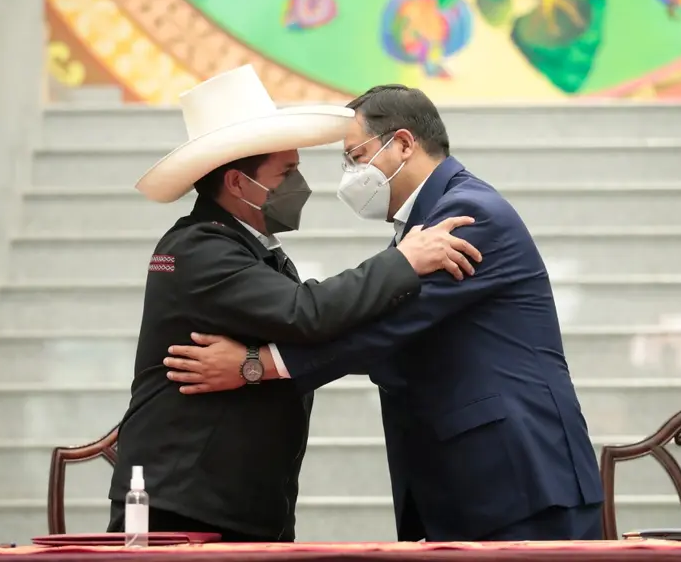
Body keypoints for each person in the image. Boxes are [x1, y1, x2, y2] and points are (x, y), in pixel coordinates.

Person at [162, 84, 605, 542]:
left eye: (356, 155)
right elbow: (381, 336)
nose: (349, 174)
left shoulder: (467, 217)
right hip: (464, 483)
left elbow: (383, 330)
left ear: (403, 144)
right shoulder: (417, 238)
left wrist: (255, 365)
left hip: (518, 478)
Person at [105, 67, 482, 543]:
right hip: (188, 506)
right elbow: (306, 314)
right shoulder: (199, 249)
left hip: (239, 503)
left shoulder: (246, 246)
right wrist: (403, 261)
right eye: (286, 172)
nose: (300, 183)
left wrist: (251, 366)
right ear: (240, 185)